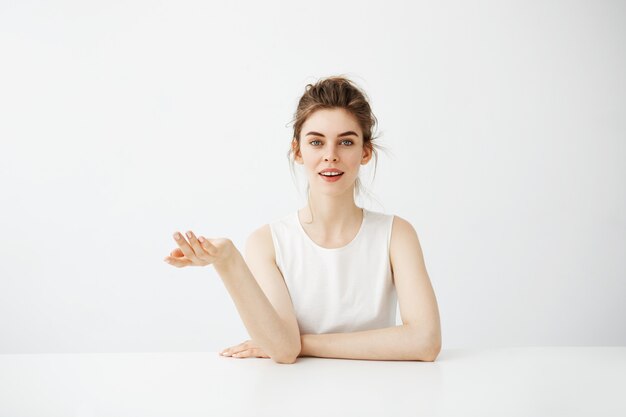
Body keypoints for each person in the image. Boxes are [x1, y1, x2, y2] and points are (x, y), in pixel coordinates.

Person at [163, 76, 441, 364]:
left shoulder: (397, 235)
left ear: (365, 152)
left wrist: (302, 343)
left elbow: (425, 342)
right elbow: (283, 352)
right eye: (316, 142)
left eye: (346, 142)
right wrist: (227, 261)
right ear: (298, 151)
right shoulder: (267, 242)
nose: (330, 156)